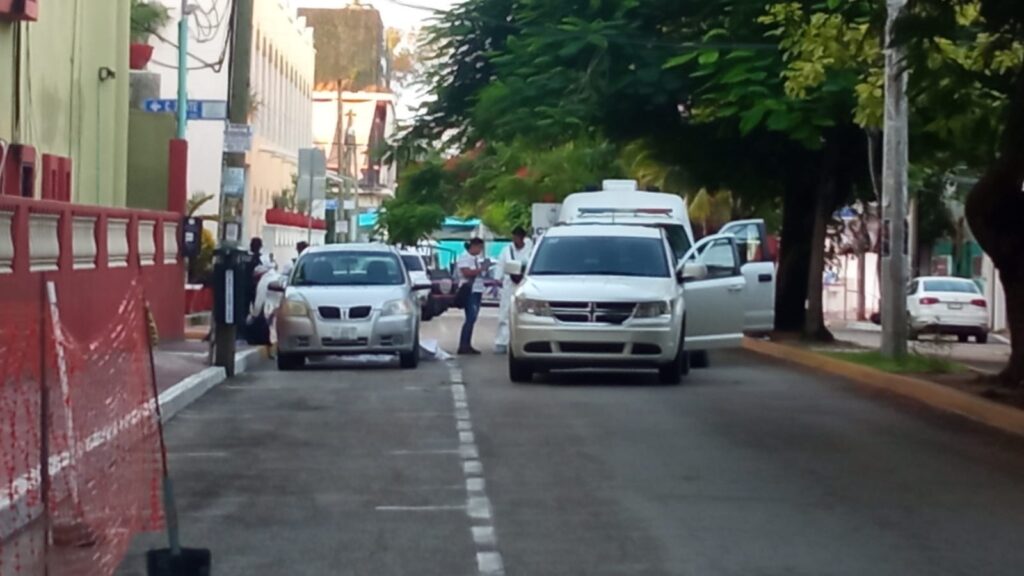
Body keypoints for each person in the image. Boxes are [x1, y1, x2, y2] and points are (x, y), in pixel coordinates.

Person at [494, 227, 533, 354]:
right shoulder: (506, 250)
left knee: (525, 313)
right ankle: (502, 342)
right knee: (504, 313)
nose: (516, 239)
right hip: (509, 283)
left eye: (518, 237)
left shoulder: (530, 250)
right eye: (514, 237)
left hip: (524, 283)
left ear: (522, 238)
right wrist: (497, 278)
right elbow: (500, 264)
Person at [456, 238, 490, 355]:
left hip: (477, 289)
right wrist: (481, 269)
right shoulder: (464, 257)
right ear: (474, 246)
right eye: (479, 247)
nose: (480, 250)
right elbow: (467, 272)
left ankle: (467, 344)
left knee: (473, 318)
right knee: (470, 317)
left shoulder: (475, 259)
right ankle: (463, 345)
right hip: (470, 290)